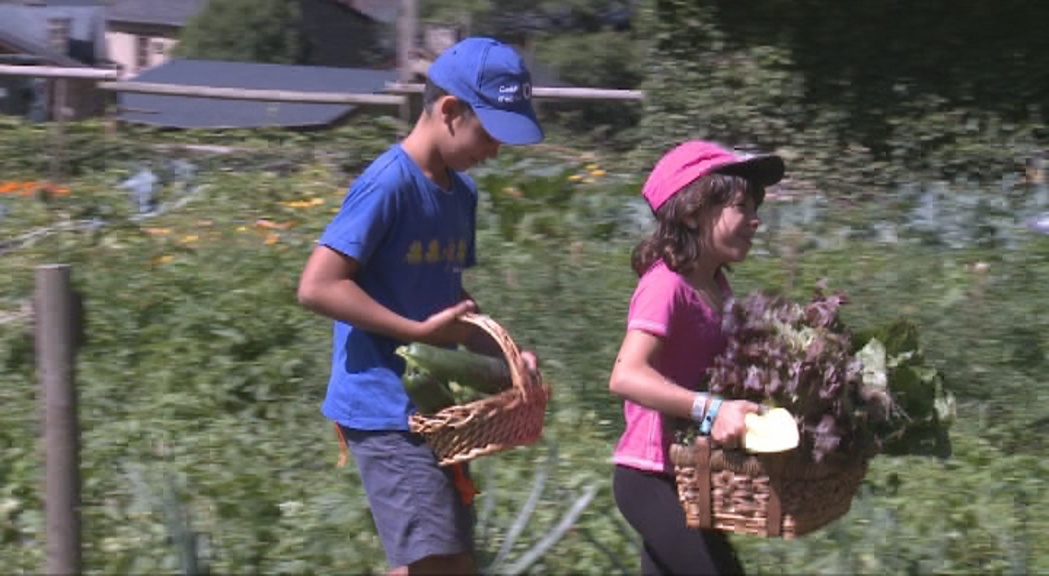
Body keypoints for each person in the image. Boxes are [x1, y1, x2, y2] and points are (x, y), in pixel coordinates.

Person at [296, 37, 544, 575]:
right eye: (491, 133)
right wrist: (414, 330)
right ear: (451, 112)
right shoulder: (389, 183)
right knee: (437, 562)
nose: (496, 151)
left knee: (443, 560)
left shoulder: (461, 195)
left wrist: (506, 362)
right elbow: (318, 286)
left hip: (431, 410)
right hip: (383, 404)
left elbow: (450, 307)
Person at [608, 140, 786, 575]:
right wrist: (712, 408)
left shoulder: (715, 285)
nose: (755, 220)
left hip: (690, 473)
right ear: (691, 212)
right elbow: (626, 376)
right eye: (741, 206)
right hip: (650, 475)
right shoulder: (667, 284)